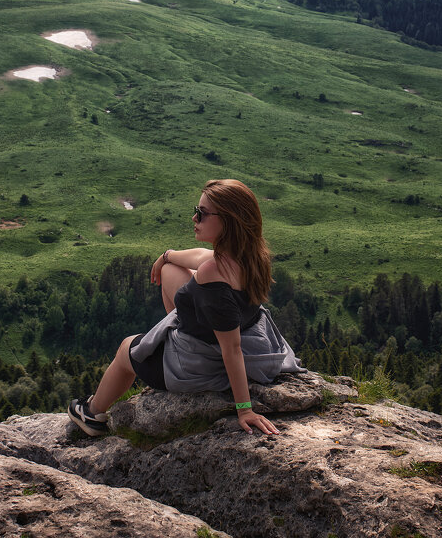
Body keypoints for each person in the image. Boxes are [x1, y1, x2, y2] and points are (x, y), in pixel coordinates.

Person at [68, 179, 303, 436]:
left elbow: (232, 349)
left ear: (228, 220)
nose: (194, 217)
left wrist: (244, 409)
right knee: (171, 271)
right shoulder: (250, 254)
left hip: (204, 360)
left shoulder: (214, 275)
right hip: (246, 339)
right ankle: (179, 332)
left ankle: (92, 413)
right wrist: (166, 256)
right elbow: (202, 256)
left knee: (127, 348)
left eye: (202, 213)